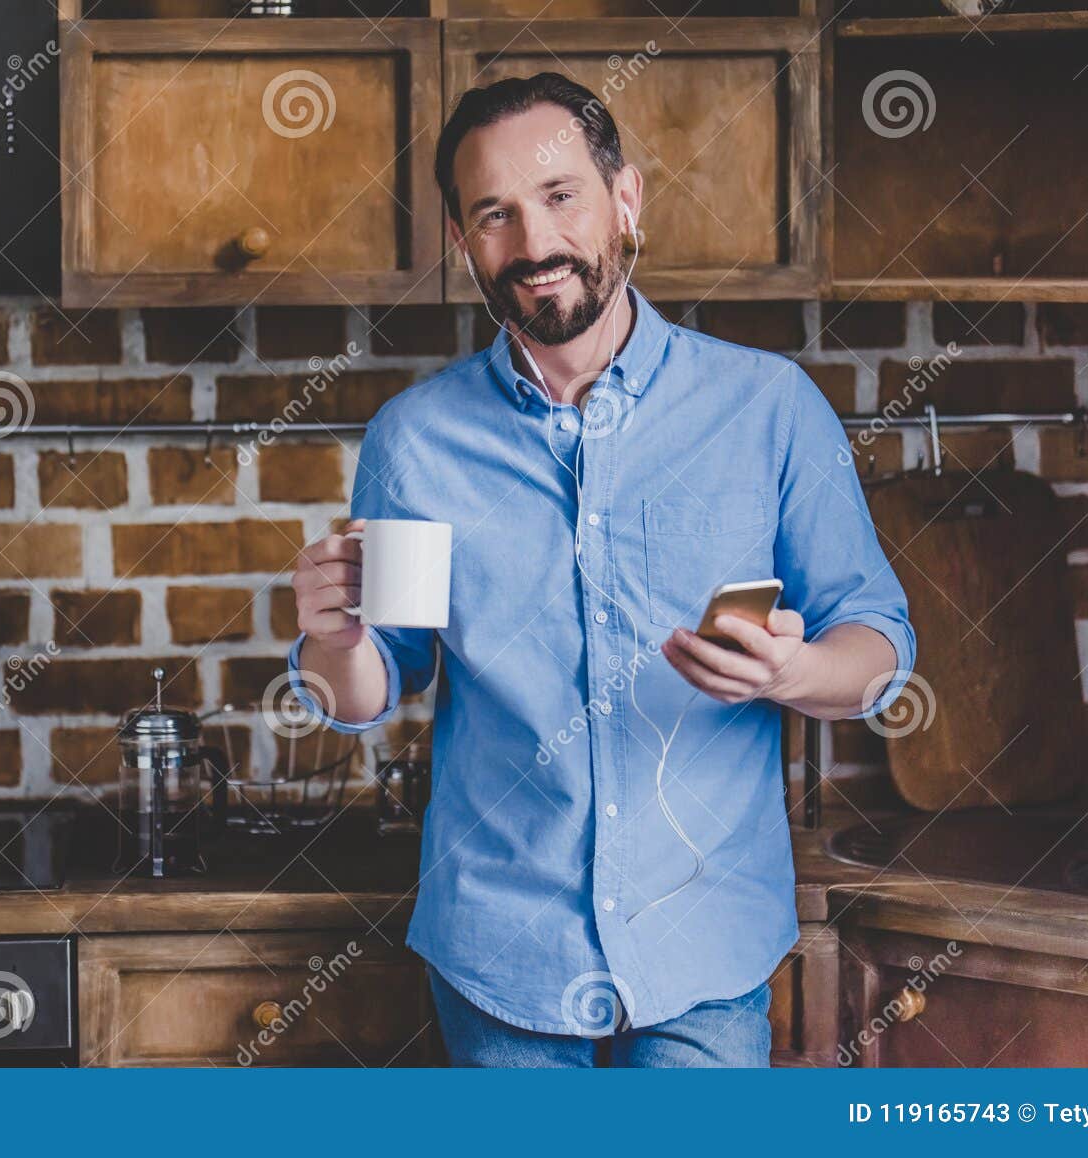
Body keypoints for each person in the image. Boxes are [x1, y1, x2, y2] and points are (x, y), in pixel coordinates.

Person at [286, 73, 915, 1067]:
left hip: (702, 951)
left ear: (625, 201)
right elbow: (369, 688)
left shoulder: (767, 409)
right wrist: (333, 638)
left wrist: (793, 674)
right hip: (501, 957)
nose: (533, 244)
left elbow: (877, 647)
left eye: (559, 196)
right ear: (463, 244)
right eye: (494, 214)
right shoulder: (416, 441)